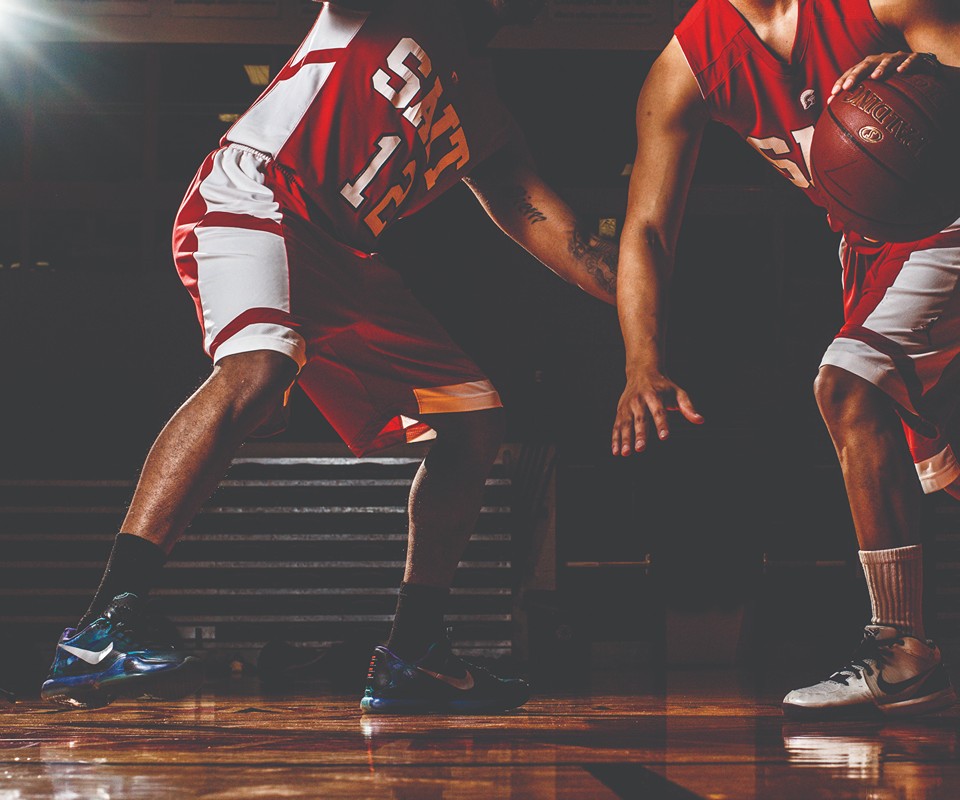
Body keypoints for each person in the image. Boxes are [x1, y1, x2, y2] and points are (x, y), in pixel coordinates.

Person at [41, 0, 618, 714]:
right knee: (259, 369)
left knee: (473, 421)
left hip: (345, 257)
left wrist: (649, 309)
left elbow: (560, 235)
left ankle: (415, 655)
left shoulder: (489, 120)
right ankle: (103, 626)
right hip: (262, 195)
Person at [612, 0, 960, 718]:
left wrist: (935, 76)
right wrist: (641, 361)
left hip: (947, 217)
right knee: (942, 472)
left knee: (846, 385)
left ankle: (901, 647)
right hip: (872, 252)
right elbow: (646, 226)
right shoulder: (686, 67)